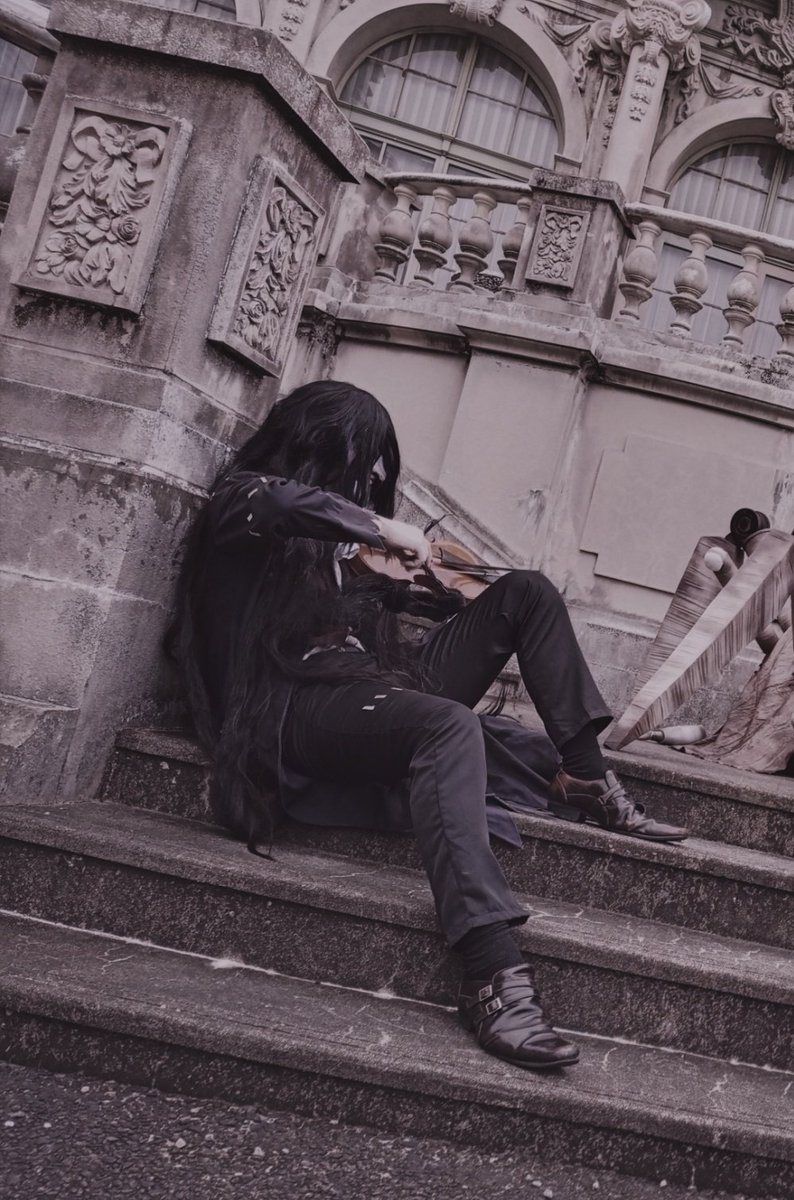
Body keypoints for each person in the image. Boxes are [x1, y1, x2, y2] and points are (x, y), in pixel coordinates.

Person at [171, 381, 687, 1072]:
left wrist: (418, 589)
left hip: (359, 691)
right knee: (448, 726)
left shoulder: (335, 548)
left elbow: (349, 625)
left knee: (527, 592)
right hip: (287, 711)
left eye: (375, 470)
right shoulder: (244, 500)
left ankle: (588, 776)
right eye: (358, 462)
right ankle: (491, 969)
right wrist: (379, 528)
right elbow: (283, 505)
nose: (369, 481)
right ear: (312, 444)